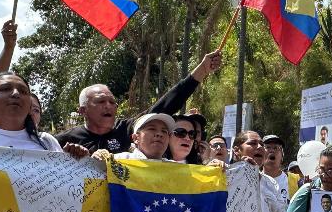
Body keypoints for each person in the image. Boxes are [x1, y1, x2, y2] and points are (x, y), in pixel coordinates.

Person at [56, 51, 221, 152]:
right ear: (83, 110)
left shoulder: (127, 129)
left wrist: (202, 70)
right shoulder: (62, 141)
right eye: (100, 101)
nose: (108, 106)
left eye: (112, 102)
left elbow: (166, 105)